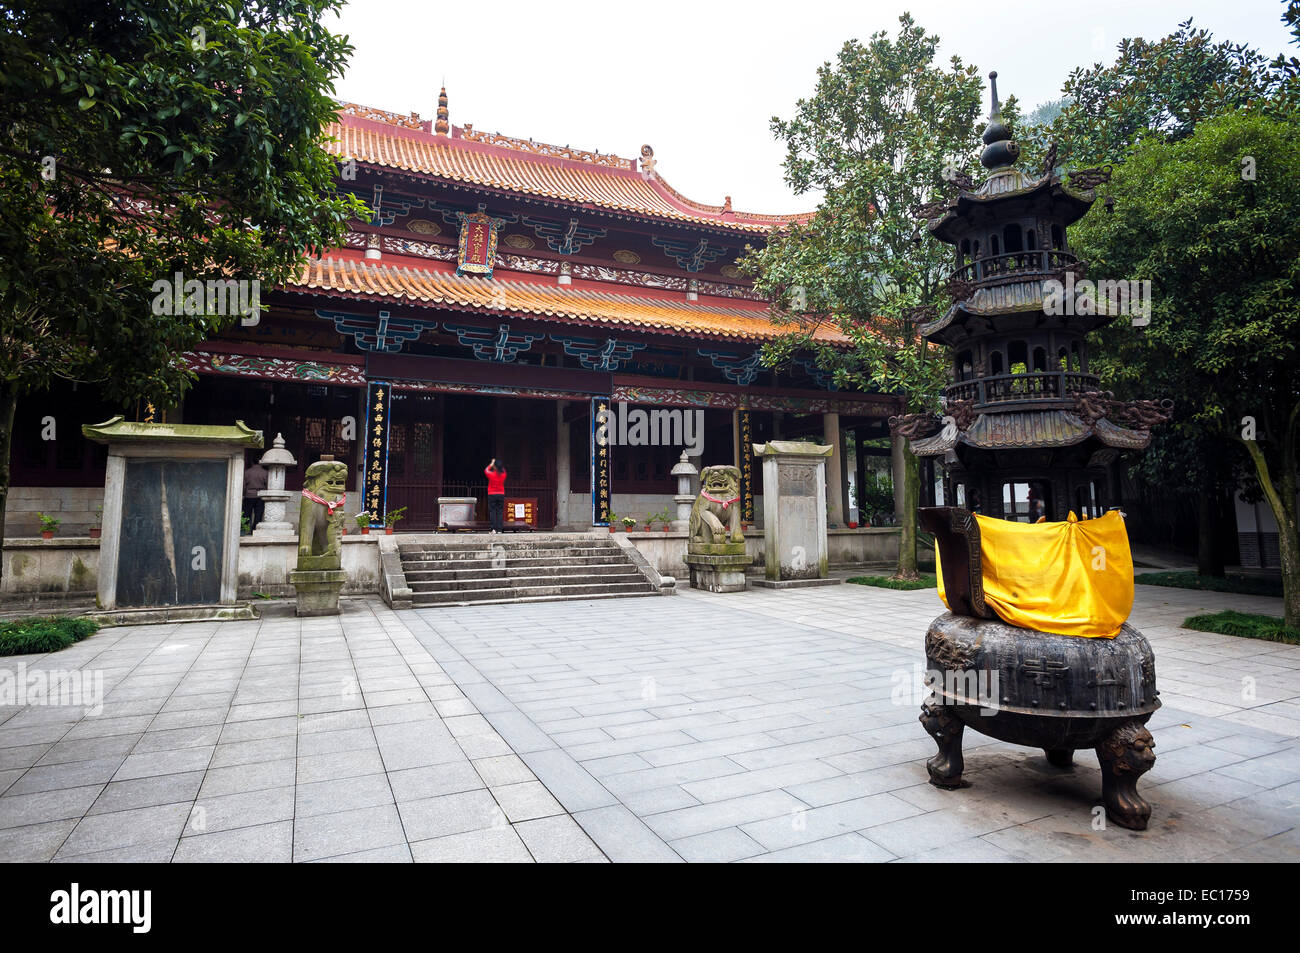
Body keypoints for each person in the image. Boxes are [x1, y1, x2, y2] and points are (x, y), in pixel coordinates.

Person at [243, 455, 268, 533]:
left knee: (247, 514)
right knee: (258, 514)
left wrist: (243, 494)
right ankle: (255, 530)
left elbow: (243, 486)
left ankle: (246, 530)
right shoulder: (265, 473)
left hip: (248, 495)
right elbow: (268, 485)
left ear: (252, 462)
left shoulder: (247, 472)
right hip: (260, 496)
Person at [485, 458, 507, 534]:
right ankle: (500, 529)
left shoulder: (491, 474)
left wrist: (492, 463)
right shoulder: (504, 474)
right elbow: (503, 469)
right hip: (501, 494)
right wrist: (497, 465)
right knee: (500, 512)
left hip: (492, 494)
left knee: (493, 512)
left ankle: (493, 529)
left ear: (495, 467)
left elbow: (486, 470)